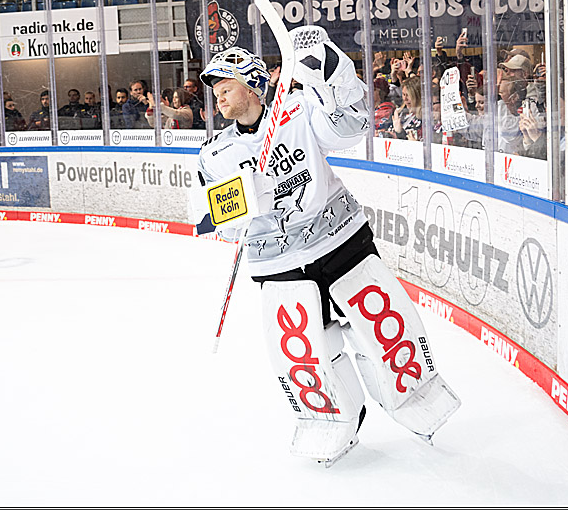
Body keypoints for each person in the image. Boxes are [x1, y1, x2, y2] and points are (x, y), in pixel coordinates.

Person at [194, 37, 460, 464]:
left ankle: (418, 398)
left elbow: (350, 129)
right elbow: (211, 220)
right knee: (305, 351)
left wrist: (330, 72)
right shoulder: (215, 154)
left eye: (227, 84)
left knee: (381, 329)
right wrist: (245, 203)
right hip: (278, 264)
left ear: (253, 85)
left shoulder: (296, 110)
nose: (219, 94)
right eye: (216, 89)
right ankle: (330, 422)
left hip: (341, 242)